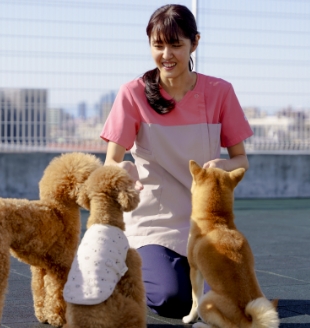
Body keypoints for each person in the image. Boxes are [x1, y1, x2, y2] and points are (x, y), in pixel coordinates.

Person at [100, 4, 253, 318]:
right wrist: (123, 170)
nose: (166, 54)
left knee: (231, 304)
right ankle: (127, 270)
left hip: (207, 226)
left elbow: (241, 160)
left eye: (176, 45)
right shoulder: (132, 94)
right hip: (153, 224)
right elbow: (110, 163)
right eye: (158, 46)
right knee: (174, 300)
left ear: (195, 43)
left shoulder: (220, 93)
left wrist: (223, 166)